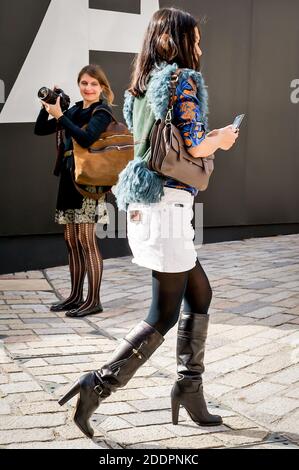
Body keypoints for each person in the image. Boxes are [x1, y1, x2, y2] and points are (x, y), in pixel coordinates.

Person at [58, 8, 239, 438]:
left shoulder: (139, 88)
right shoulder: (182, 80)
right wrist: (222, 139)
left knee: (201, 294)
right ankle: (97, 385)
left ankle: (188, 389)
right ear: (169, 41)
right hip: (169, 208)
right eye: (192, 40)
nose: (198, 48)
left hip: (147, 205)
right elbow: (194, 148)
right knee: (163, 314)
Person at [34, 64, 114, 318]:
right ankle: (74, 296)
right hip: (69, 178)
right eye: (84, 83)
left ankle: (94, 300)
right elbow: (40, 129)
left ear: (101, 87)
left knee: (86, 240)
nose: (88, 88)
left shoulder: (102, 112)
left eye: (93, 84)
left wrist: (60, 115)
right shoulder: (76, 109)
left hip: (89, 183)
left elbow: (86, 138)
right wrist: (47, 107)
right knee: (71, 240)